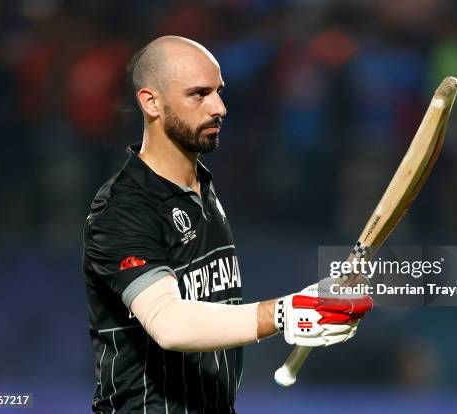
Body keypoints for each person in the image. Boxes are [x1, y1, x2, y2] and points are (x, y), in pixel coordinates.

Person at [82, 36, 372, 414]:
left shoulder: (202, 187)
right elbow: (169, 324)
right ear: (151, 102)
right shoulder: (122, 209)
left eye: (219, 91)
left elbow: (214, 308)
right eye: (198, 94)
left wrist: (313, 298)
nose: (219, 107)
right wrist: (286, 313)